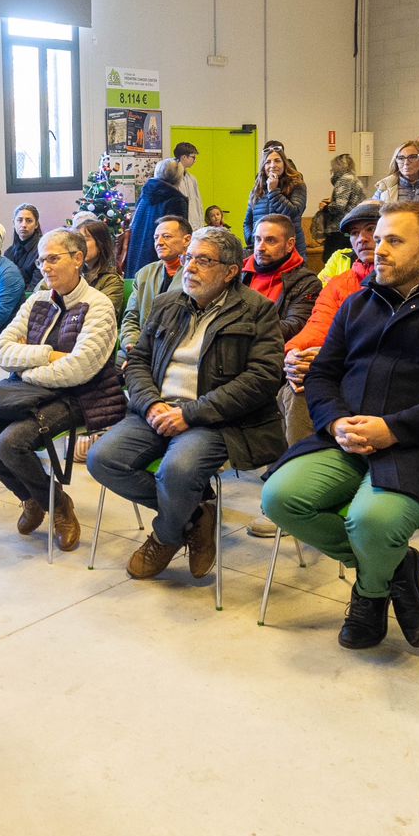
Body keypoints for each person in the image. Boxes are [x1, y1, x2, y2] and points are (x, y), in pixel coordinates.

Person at [262, 202, 419, 650]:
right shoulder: (359, 302)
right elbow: (322, 375)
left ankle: (370, 594)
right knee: (279, 498)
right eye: (377, 240)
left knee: (371, 522)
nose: (378, 250)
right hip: (348, 437)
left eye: (394, 240)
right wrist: (336, 421)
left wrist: (393, 429)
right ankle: (395, 569)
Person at [87, 227, 286, 582]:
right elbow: (137, 361)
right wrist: (150, 405)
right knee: (102, 459)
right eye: (190, 257)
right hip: (157, 409)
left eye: (203, 260)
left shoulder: (257, 311)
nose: (190, 267)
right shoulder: (167, 304)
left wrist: (190, 413)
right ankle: (195, 516)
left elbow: (263, 378)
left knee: (177, 471)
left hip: (213, 417)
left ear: (230, 271)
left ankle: (165, 536)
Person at [0, 229, 124, 552]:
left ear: (78, 259)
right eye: (41, 259)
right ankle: (35, 497)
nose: (44, 267)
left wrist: (26, 367)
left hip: (80, 395)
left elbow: (80, 369)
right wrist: (47, 355)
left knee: (10, 443)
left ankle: (59, 507)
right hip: (29, 393)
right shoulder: (36, 300)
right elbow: (3, 351)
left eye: (53, 258)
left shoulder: (98, 306)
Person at [246, 201, 383, 539]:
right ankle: (297, 488)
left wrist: (323, 357)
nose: (362, 239)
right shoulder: (340, 285)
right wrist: (293, 355)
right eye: (354, 234)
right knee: (296, 388)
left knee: (300, 386)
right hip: (334, 376)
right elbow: (313, 329)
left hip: (382, 380)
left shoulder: (408, 285)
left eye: (371, 231)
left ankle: (299, 484)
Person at [119, 214, 191, 358]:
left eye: (166, 236)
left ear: (187, 240)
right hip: (141, 347)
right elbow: (131, 318)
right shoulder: (144, 274)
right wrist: (132, 344)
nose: (159, 242)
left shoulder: (194, 274)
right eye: (156, 238)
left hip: (177, 351)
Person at [245, 214, 322, 346]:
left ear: (289, 244)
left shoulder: (307, 283)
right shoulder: (239, 272)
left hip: (273, 352)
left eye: (270, 241)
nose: (260, 248)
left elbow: (295, 326)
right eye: (258, 239)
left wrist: (241, 327)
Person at [124, 158, 190, 276]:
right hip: (160, 259)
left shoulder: (145, 194)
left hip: (136, 253)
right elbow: (178, 236)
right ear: (179, 177)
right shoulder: (176, 200)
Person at [247, 146, 308, 235]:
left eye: (277, 161)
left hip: (289, 245)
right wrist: (252, 239)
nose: (272, 165)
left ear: (284, 164)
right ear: (264, 167)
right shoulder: (258, 187)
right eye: (268, 162)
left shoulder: (297, 184)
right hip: (262, 244)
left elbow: (294, 213)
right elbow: (248, 221)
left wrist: (273, 191)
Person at [317, 152, 366, 257]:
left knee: (332, 260)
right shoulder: (354, 179)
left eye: (333, 167)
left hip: (339, 229)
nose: (331, 170)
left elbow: (339, 206)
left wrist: (325, 207)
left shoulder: (344, 180)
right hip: (351, 226)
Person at [373, 140, 419, 204]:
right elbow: (369, 213)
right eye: (401, 158)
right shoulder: (384, 187)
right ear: (396, 161)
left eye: (413, 157)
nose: (406, 162)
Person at [76, 217, 123, 306]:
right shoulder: (74, 274)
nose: (78, 245)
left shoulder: (111, 280)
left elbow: (101, 312)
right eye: (78, 240)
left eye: (85, 240)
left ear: (100, 244)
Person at [8, 203, 44, 289]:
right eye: (20, 220)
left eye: (29, 221)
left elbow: (36, 287)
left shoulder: (43, 251)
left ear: (36, 225)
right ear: (14, 223)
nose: (23, 225)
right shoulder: (9, 253)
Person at [174, 141, 204, 226]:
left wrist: (200, 224)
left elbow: (198, 203)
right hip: (179, 224)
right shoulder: (172, 178)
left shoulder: (192, 179)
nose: (195, 160)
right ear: (184, 157)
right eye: (193, 157)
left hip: (194, 225)